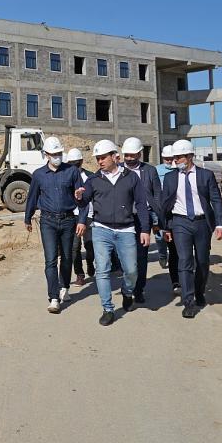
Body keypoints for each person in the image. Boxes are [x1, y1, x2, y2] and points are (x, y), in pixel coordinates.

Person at [75, 140, 151, 326]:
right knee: (102, 269)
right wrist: (79, 197)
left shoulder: (131, 178)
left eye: (103, 158)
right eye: (98, 158)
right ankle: (107, 309)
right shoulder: (93, 180)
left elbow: (141, 204)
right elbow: (84, 201)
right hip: (102, 229)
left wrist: (146, 230)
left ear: (114, 157)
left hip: (126, 230)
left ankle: (127, 291)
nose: (100, 161)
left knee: (132, 270)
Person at [159, 139, 222, 319]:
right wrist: (165, 228)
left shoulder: (206, 176)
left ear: (190, 156)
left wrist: (220, 224)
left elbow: (216, 200)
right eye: (174, 158)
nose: (176, 161)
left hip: (202, 223)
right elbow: (164, 204)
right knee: (185, 262)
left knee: (203, 262)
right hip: (180, 223)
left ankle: (199, 292)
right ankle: (188, 301)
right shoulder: (170, 178)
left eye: (180, 157)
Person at [24, 136, 81, 314]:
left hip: (68, 220)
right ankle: (54, 298)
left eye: (59, 153)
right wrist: (27, 218)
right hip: (47, 221)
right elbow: (32, 197)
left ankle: (65, 286)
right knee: (50, 260)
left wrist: (82, 219)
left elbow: (82, 197)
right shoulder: (39, 175)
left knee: (66, 257)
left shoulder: (72, 172)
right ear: (46, 155)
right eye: (53, 154)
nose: (57, 156)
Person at [120, 137, 162, 304]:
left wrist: (156, 217)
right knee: (125, 257)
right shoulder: (118, 170)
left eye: (133, 155)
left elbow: (157, 193)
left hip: (143, 218)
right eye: (127, 155)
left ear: (139, 154)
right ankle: (127, 287)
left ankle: (139, 289)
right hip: (123, 219)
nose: (129, 159)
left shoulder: (150, 171)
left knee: (141, 256)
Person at [156, 145, 181, 296]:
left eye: (171, 159)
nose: (168, 161)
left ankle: (177, 279)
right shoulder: (156, 171)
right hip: (159, 209)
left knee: (175, 248)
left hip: (174, 213)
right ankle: (161, 254)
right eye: (166, 159)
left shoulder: (179, 171)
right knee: (160, 237)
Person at [67, 148, 94, 286]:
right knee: (74, 247)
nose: (74, 166)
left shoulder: (90, 176)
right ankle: (80, 274)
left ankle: (90, 262)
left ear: (81, 162)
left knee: (89, 245)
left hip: (88, 215)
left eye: (76, 163)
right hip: (73, 216)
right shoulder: (65, 176)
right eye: (71, 164)